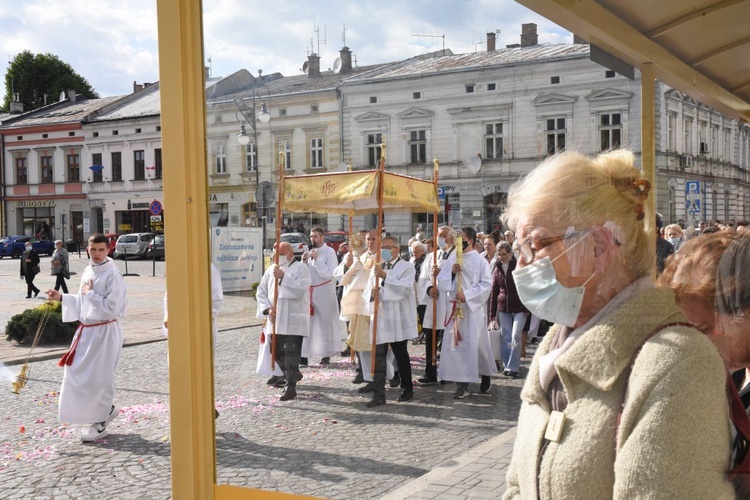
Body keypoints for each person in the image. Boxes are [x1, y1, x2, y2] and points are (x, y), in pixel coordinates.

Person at [500, 150, 733, 499]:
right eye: (519, 246)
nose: (522, 263)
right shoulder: (553, 344)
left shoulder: (677, 362)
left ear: (597, 245)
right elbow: (517, 485)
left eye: (536, 243)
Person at [46, 233, 127, 442]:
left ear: (108, 250)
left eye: (101, 250)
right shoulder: (87, 270)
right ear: (87, 250)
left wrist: (90, 294)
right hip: (88, 330)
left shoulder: (112, 275)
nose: (97, 254)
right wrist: (62, 297)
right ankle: (106, 409)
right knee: (76, 372)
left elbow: (112, 308)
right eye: (93, 250)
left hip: (105, 331)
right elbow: (83, 302)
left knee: (100, 377)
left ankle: (100, 422)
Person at [437, 227, 495, 398]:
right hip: (456, 308)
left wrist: (468, 294)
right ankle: (462, 384)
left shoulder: (480, 261)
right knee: (458, 346)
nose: (458, 242)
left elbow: (486, 284)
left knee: (477, 344)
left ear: (470, 240)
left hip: (472, 310)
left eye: (461, 239)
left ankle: (485, 373)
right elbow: (442, 281)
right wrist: (452, 274)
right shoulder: (453, 257)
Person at [362, 236, 417, 407]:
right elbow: (366, 291)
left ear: (396, 249)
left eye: (387, 247)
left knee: (400, 354)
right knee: (378, 356)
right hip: (381, 317)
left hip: (398, 317)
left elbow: (405, 288)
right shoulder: (376, 268)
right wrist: (372, 294)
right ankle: (379, 393)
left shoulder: (406, 267)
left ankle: (407, 388)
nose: (384, 251)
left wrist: (385, 276)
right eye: (382, 247)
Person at [256, 242, 311, 401]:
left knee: (292, 354)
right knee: (276, 352)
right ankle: (291, 373)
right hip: (276, 317)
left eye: (279, 252)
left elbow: (301, 290)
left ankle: (290, 387)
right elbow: (261, 291)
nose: (276, 255)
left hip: (294, 318)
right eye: (275, 252)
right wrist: (268, 309)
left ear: (289, 253)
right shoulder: (270, 270)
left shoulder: (301, 268)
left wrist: (283, 277)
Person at [416, 225, 456, 384]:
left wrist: (445, 277)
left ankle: (450, 372)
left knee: (449, 337)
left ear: (452, 237)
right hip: (434, 301)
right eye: (438, 235)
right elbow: (423, 278)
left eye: (443, 235)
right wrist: (429, 288)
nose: (440, 238)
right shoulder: (432, 256)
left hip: (450, 301)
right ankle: (430, 372)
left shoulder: (458, 256)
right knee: (430, 336)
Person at [301, 226, 341, 365]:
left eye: (315, 236)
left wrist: (317, 260)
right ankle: (304, 354)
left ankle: (326, 353)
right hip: (310, 290)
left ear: (322, 237)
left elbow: (330, 273)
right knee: (307, 323)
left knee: (324, 323)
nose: (313, 239)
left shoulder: (329, 252)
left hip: (324, 290)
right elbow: (305, 273)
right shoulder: (310, 251)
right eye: (311, 236)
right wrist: (304, 261)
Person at [489, 241, 527, 379]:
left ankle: (513, 366)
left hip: (519, 306)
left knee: (515, 335)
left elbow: (526, 287)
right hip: (503, 306)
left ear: (510, 254)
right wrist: (492, 314)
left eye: (504, 254)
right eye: (499, 255)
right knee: (505, 337)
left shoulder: (518, 265)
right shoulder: (497, 266)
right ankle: (507, 365)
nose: (501, 257)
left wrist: (527, 307)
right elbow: (494, 290)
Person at [410, 240, 427, 344]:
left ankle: (422, 333)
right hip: (414, 290)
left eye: (416, 252)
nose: (414, 254)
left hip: (423, 291)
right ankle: (417, 333)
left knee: (423, 313)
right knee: (415, 314)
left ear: (422, 251)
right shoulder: (412, 261)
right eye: (413, 252)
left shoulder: (427, 260)